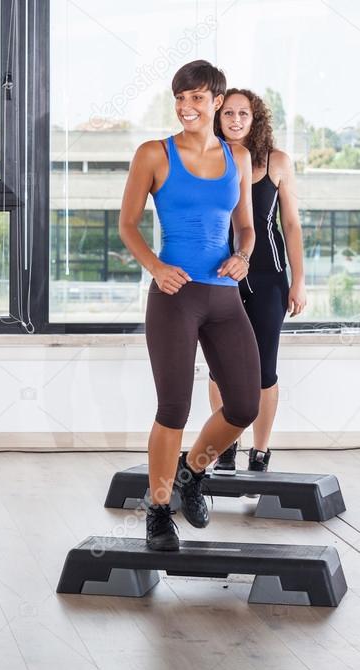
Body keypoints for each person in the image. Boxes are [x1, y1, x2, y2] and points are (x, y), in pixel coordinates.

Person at [118, 60, 259, 551]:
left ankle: (192, 472)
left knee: (244, 404)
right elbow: (128, 225)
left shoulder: (236, 157)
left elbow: (245, 226)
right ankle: (158, 512)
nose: (186, 106)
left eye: (197, 98)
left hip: (223, 298)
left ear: (217, 102)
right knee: (173, 406)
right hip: (174, 298)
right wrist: (156, 267)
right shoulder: (153, 155)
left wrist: (243, 255)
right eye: (180, 97)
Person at [209, 88, 307, 476]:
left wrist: (298, 282)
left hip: (268, 279)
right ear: (217, 118)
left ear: (255, 119)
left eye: (243, 113)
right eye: (228, 112)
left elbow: (292, 225)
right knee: (220, 370)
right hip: (219, 277)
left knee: (264, 369)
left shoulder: (277, 161)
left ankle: (260, 451)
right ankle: (225, 443)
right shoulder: (208, 161)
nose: (235, 119)